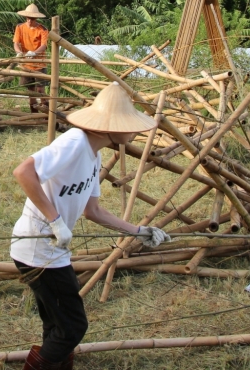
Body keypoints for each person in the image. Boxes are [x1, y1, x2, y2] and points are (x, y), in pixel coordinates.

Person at [9, 82, 170, 369]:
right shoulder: (74, 142)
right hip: (37, 247)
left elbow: (93, 211)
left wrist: (139, 232)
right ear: (111, 126)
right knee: (73, 327)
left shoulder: (94, 156)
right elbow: (23, 172)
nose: (134, 130)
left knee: (59, 326)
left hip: (54, 249)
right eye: (128, 122)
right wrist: (55, 220)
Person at [13, 3, 50, 113]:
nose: (30, 21)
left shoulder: (42, 29)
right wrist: (19, 52)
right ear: (26, 17)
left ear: (36, 18)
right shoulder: (20, 27)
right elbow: (16, 42)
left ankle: (46, 112)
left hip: (39, 63)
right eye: (28, 18)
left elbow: (43, 45)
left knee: (40, 89)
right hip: (26, 64)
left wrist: (34, 53)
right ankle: (34, 113)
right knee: (30, 90)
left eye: (32, 19)